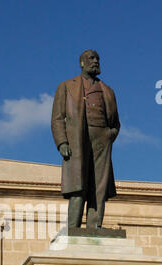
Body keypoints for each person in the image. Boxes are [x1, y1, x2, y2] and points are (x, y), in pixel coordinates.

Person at [51, 50, 120, 228]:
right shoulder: (66, 86)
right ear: (82, 63)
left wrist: (109, 134)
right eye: (91, 58)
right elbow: (57, 118)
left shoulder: (108, 91)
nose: (95, 61)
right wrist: (62, 142)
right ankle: (73, 227)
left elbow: (116, 122)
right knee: (78, 185)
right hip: (77, 139)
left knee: (99, 186)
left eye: (97, 59)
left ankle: (95, 225)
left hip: (101, 140)